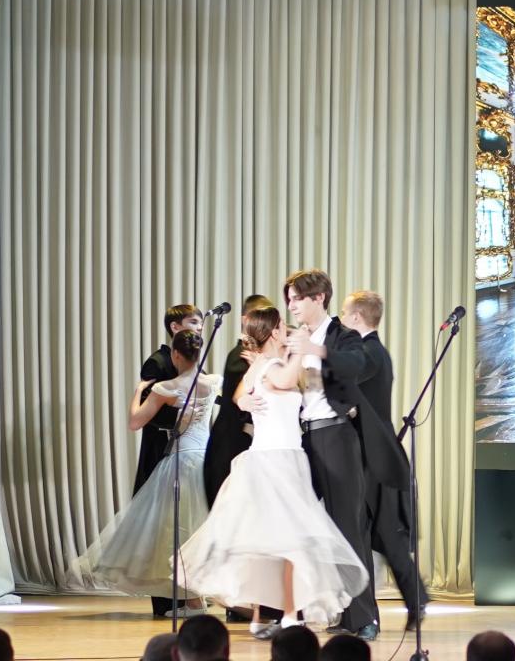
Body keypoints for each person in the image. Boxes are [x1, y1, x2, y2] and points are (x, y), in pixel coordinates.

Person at [178, 307, 369, 641]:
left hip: (281, 458)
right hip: (275, 461)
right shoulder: (272, 366)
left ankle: (261, 616)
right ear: (272, 332)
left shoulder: (261, 365)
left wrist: (246, 399)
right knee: (290, 542)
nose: (287, 329)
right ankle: (289, 615)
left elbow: (240, 395)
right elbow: (282, 381)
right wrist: (302, 345)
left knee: (271, 544)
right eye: (281, 326)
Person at [283, 269, 406, 640]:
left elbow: (355, 365)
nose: (291, 306)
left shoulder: (342, 335)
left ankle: (364, 617)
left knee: (348, 528)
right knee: (295, 526)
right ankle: (307, 610)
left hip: (336, 436)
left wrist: (316, 350)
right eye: (289, 299)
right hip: (303, 438)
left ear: (319, 297)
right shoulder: (296, 337)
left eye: (297, 298)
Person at [73, 328, 220, 608]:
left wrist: (139, 391)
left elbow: (135, 422)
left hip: (181, 462)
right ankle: (197, 596)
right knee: (199, 528)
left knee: (174, 532)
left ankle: (192, 599)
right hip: (206, 461)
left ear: (176, 354)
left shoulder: (167, 388)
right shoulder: (213, 382)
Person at [342, 289, 427, 628]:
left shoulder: (368, 353)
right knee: (364, 533)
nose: (342, 319)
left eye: (345, 313)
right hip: (372, 451)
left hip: (374, 455)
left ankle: (413, 600)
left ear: (356, 317)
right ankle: (362, 614)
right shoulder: (373, 351)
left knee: (383, 533)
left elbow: (343, 384)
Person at [208, 295, 276, 623]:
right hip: (233, 449)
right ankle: (240, 599)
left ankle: (247, 601)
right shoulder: (243, 358)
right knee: (242, 526)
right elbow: (239, 401)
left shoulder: (262, 359)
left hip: (251, 448)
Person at [140, 303, 206, 618]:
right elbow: (147, 410)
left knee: (187, 523)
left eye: (201, 323)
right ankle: (168, 601)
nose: (200, 327)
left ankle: (190, 594)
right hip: (163, 451)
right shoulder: (157, 362)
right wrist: (179, 421)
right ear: (175, 327)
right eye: (193, 322)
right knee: (165, 526)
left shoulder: (197, 367)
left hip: (191, 451)